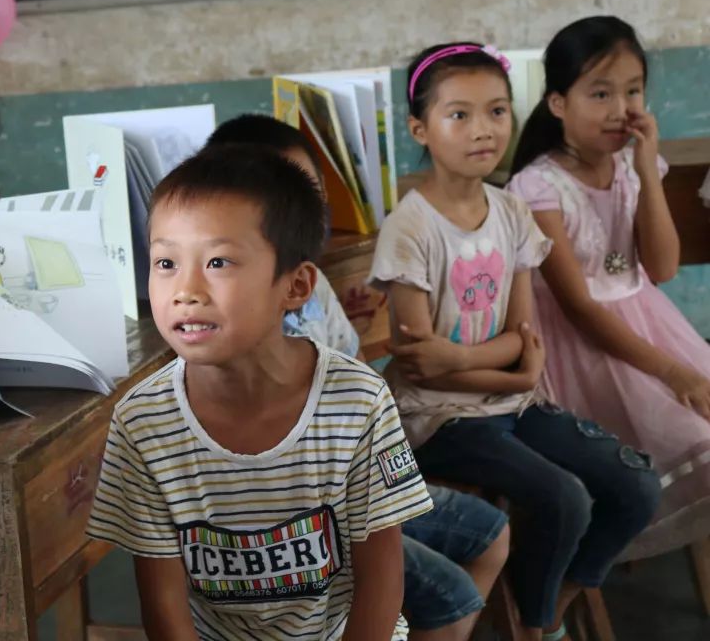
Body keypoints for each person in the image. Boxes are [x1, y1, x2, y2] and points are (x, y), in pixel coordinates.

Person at [368, 42, 660, 641]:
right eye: (460, 115)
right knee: (565, 499)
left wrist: (490, 366)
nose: (484, 130)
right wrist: (512, 371)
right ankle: (535, 626)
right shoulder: (410, 229)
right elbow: (424, 369)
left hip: (511, 403)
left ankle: (548, 603)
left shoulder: (510, 212)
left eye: (497, 111)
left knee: (636, 485)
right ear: (419, 127)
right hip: (438, 420)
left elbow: (520, 335)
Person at [86, 143, 433, 640]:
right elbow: (164, 605)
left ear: (294, 286)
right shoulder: (143, 422)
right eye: (165, 263)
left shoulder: (358, 403)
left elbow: (381, 581)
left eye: (219, 262)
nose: (185, 290)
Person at [207, 114, 510, 641]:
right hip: (304, 513)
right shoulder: (227, 312)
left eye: (315, 194)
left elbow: (352, 378)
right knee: (452, 600)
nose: (310, 212)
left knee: (492, 533)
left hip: (358, 486)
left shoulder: (314, 280)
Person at [507, 15, 710, 559]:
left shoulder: (633, 165)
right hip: (584, 349)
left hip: (648, 324)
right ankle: (580, 573)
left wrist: (646, 170)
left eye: (633, 91)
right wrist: (674, 372)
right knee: (697, 438)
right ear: (557, 103)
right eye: (600, 93)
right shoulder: (538, 186)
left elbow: (661, 268)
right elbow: (578, 307)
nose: (621, 108)